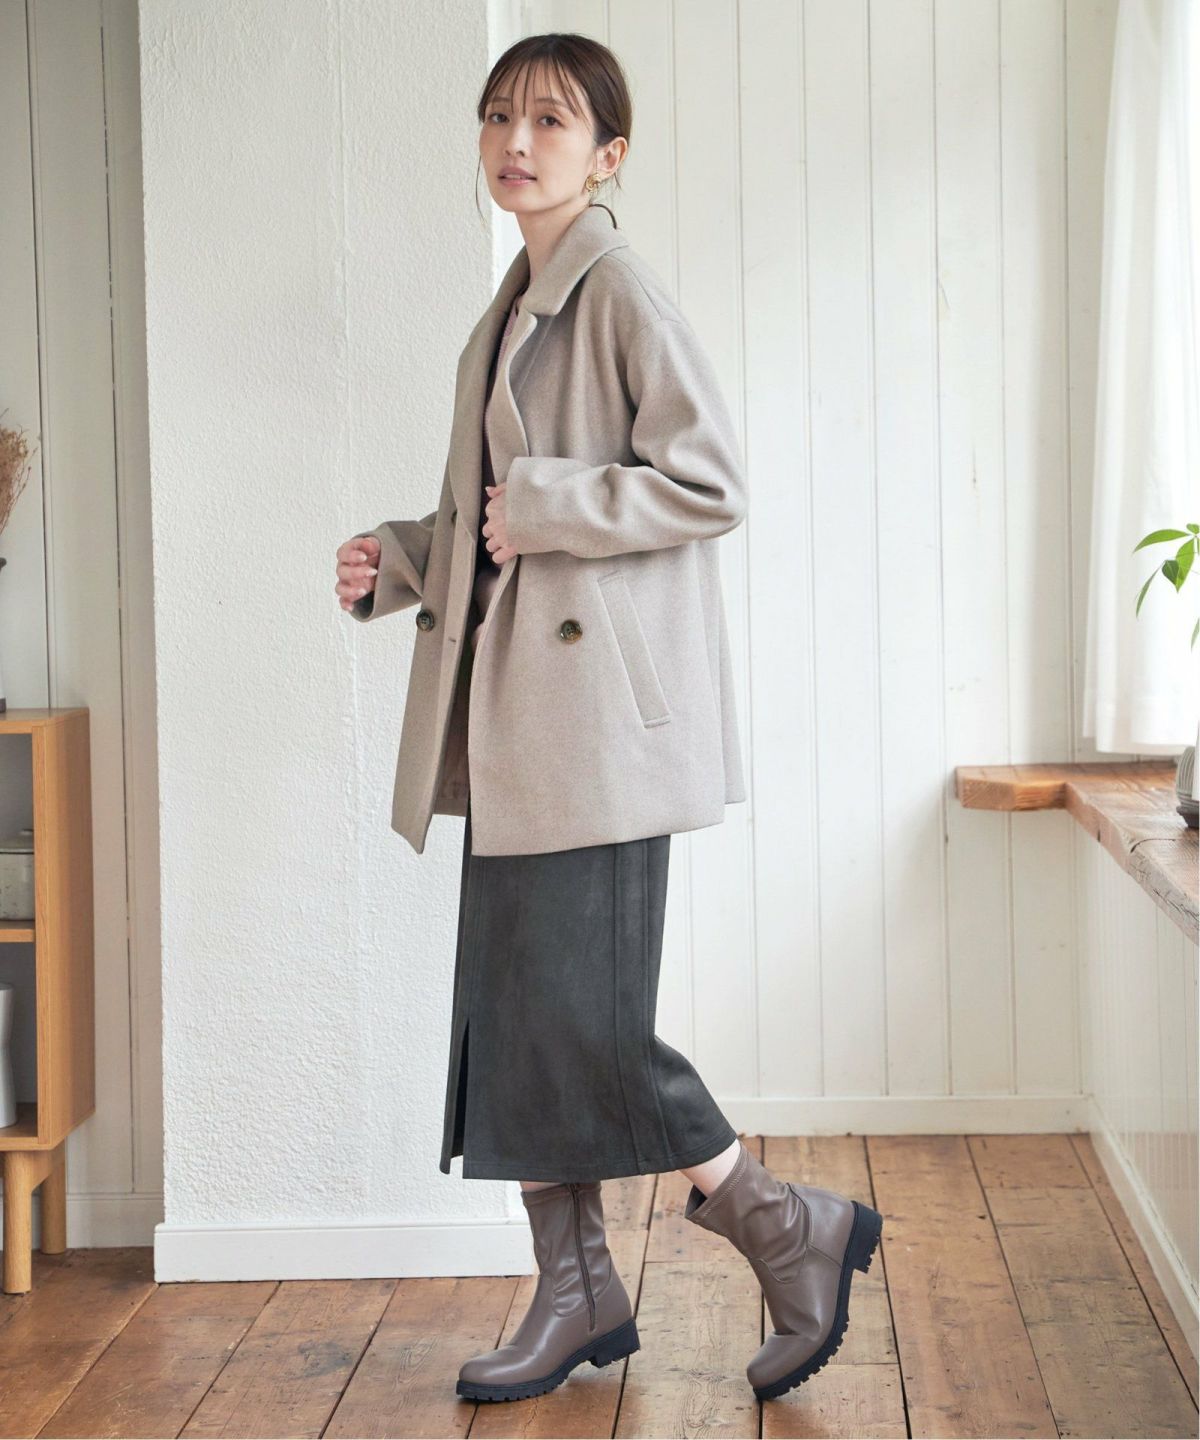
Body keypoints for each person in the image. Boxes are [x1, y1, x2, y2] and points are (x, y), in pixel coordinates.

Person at [334, 31, 882, 1407]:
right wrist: (402, 559)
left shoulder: (616, 288)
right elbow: (492, 524)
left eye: (551, 121)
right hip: (522, 722)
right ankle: (577, 1287)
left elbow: (709, 480)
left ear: (608, 153)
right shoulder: (513, 304)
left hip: (597, 734)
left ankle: (784, 1222)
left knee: (586, 1023)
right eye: (499, 117)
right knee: (522, 1016)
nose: (517, 142)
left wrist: (549, 505)